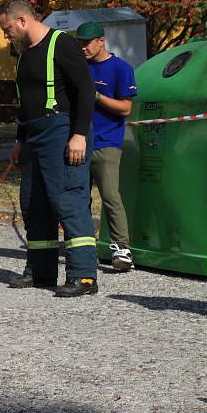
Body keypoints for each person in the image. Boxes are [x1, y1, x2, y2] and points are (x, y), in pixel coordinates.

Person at [0, 0, 98, 297]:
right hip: (35, 136)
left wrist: (78, 135)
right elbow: (27, 103)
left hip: (62, 131)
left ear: (23, 20)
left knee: (68, 200)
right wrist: (20, 140)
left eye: (8, 27)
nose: (5, 34)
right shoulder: (25, 54)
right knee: (34, 203)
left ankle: (83, 276)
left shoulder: (62, 44)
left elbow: (86, 91)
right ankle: (41, 271)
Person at [76, 21, 137, 272]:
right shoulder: (80, 67)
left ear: (101, 41)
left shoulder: (121, 69)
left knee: (110, 196)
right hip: (79, 141)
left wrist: (98, 97)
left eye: (86, 43)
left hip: (107, 143)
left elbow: (126, 108)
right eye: (79, 43)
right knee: (79, 197)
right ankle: (82, 246)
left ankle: (122, 249)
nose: (82, 48)